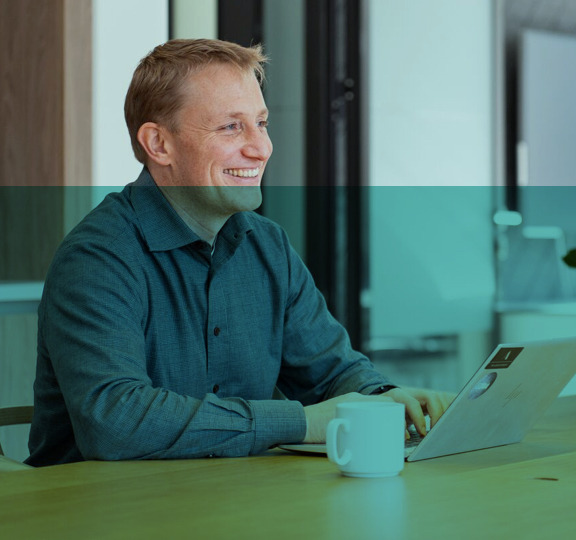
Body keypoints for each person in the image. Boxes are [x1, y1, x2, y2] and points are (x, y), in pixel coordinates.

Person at [26, 39, 452, 466]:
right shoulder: (97, 259)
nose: (261, 148)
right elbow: (115, 423)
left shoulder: (268, 248)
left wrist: (385, 399)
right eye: (231, 127)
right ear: (159, 144)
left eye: (261, 123)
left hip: (232, 506)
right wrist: (302, 422)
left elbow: (333, 374)